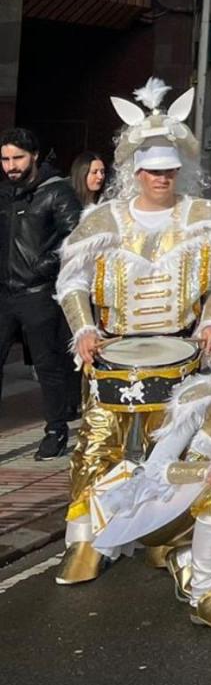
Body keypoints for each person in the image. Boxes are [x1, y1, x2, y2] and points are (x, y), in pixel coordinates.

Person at [55, 79, 211, 585]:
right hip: (115, 348)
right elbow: (70, 282)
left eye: (170, 172)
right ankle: (85, 540)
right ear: (135, 173)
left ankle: (167, 531)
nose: (162, 179)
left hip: (181, 350)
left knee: (177, 448)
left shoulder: (204, 217)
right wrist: (85, 331)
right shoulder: (102, 220)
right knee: (99, 442)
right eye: (153, 172)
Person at [83, 255, 211, 627]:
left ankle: (182, 554)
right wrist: (204, 471)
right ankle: (205, 593)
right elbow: (157, 466)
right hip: (167, 501)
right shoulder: (202, 397)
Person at [0, 128, 84, 459]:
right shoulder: (5, 194)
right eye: (5, 159)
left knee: (48, 366)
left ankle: (56, 430)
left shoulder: (57, 192)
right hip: (5, 294)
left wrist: (41, 267)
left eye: (17, 158)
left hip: (39, 293)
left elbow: (75, 238)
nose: (10, 165)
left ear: (34, 155)